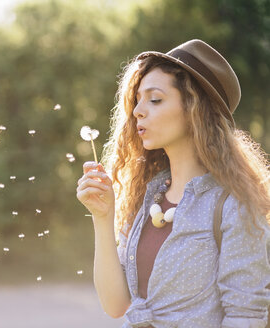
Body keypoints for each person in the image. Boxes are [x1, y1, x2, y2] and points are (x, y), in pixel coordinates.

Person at [76, 39, 270, 327]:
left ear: (194, 109)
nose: (138, 111)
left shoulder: (234, 206)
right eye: (137, 100)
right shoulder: (148, 197)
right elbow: (116, 305)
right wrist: (103, 216)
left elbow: (246, 316)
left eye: (154, 99)